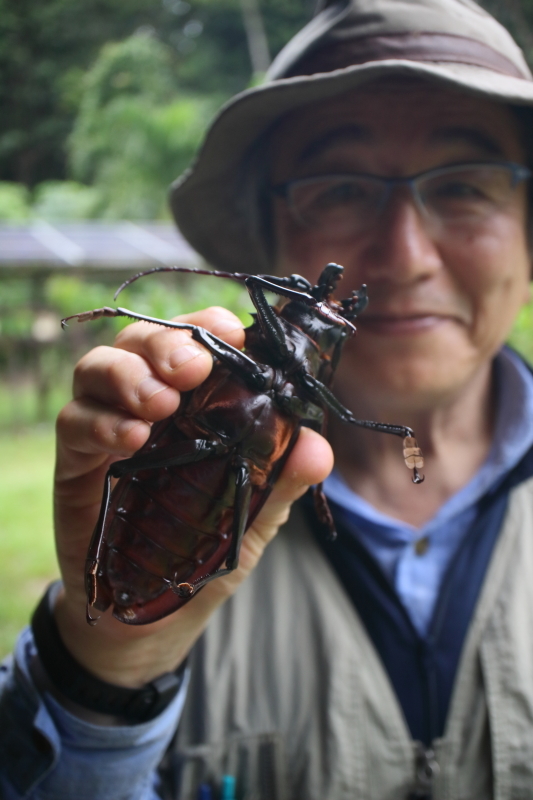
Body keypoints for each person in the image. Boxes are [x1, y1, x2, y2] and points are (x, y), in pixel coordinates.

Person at [2, 0, 533, 797]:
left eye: (463, 185)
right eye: (340, 188)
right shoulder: (200, 386)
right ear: (262, 236)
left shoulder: (291, 402)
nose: (402, 254)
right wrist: (102, 671)